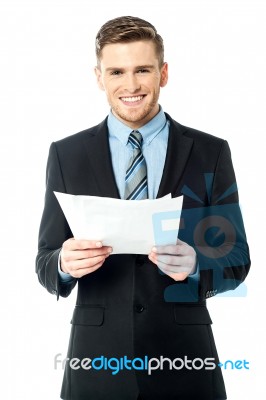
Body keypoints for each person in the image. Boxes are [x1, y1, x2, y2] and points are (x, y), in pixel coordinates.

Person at [36, 16, 250, 400]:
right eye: (117, 71)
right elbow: (45, 259)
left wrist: (198, 263)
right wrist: (64, 265)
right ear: (99, 77)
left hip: (186, 362)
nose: (130, 85)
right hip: (96, 362)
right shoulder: (66, 154)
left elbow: (235, 260)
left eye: (143, 70)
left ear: (163, 73)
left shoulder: (209, 151)